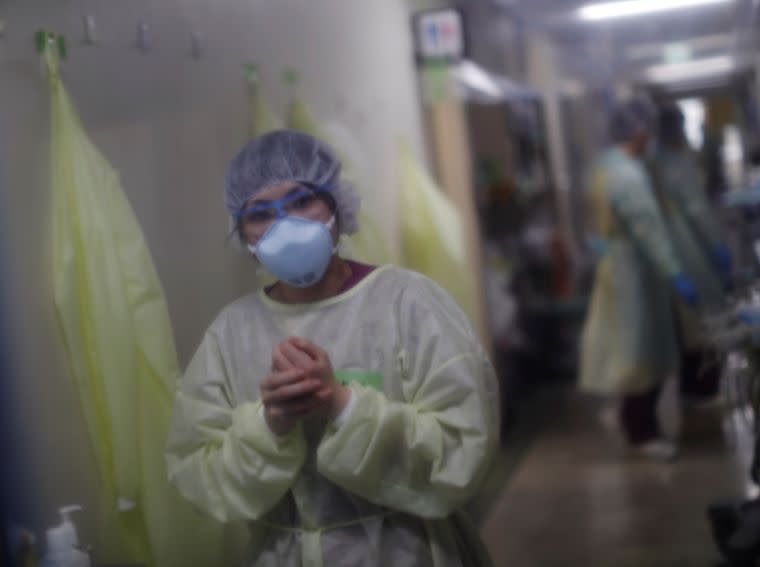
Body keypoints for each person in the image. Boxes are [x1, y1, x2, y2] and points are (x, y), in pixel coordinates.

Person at [166, 129, 499, 566]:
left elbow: (464, 450)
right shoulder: (232, 332)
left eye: (302, 201)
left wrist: (341, 405)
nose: (285, 225)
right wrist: (271, 424)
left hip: (407, 551)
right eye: (261, 213)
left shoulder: (408, 303)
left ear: (338, 206)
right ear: (243, 235)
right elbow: (198, 473)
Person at [579, 98, 697, 461]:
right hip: (636, 273)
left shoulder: (604, 168)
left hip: (617, 267)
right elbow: (649, 229)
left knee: (627, 348)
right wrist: (674, 271)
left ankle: (633, 419)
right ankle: (642, 431)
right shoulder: (628, 175)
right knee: (643, 353)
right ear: (640, 132)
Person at [648, 103, 732, 405]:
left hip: (669, 248)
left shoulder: (654, 162)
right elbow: (698, 211)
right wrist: (718, 247)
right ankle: (702, 388)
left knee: (686, 325)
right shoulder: (677, 164)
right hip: (687, 247)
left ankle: (693, 386)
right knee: (701, 321)